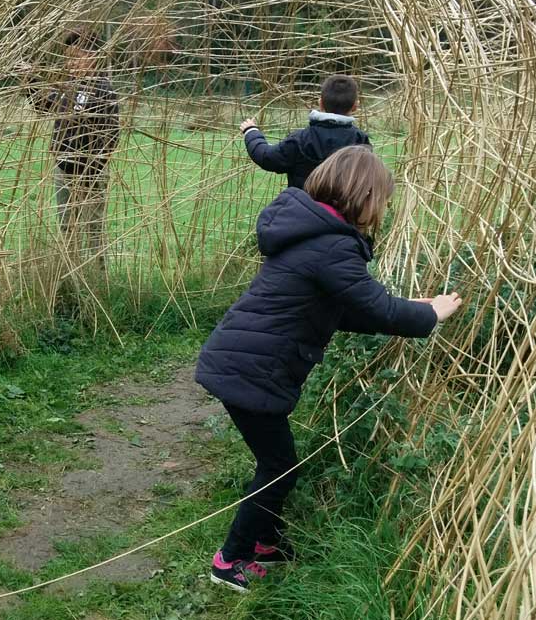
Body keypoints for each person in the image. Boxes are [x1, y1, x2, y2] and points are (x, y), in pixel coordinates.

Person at [195, 146, 463, 592]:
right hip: (251, 368)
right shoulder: (334, 245)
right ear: (363, 196)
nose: (383, 209)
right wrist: (430, 314)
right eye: (382, 199)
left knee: (278, 462)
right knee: (278, 466)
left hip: (245, 360)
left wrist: (412, 309)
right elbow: (376, 306)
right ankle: (230, 559)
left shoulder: (311, 232)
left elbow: (348, 311)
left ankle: (265, 543)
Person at [22, 29, 119, 267]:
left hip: (90, 172)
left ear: (92, 57)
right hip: (63, 169)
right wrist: (29, 80)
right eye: (68, 57)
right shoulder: (67, 88)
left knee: (93, 228)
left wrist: (91, 167)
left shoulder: (103, 91)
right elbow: (43, 105)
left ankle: (98, 275)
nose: (71, 63)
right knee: (66, 226)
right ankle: (71, 273)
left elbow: (111, 135)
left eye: (76, 57)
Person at [240, 75, 370, 190]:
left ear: (320, 103)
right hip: (342, 216)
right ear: (355, 106)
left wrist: (251, 131)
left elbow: (266, 157)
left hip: (302, 214)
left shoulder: (300, 139)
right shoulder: (361, 142)